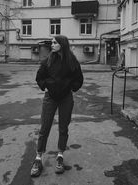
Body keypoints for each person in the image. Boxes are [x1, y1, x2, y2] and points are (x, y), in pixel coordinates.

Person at [31, 35, 83, 177]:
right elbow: (39, 77)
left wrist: (71, 87)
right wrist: (45, 86)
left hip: (66, 98)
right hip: (50, 98)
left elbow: (79, 79)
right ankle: (38, 158)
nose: (52, 45)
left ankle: (60, 155)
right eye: (52, 42)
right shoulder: (47, 60)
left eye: (55, 43)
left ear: (62, 44)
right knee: (44, 127)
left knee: (63, 127)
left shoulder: (72, 61)